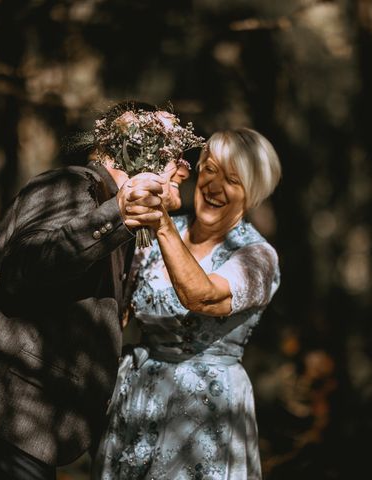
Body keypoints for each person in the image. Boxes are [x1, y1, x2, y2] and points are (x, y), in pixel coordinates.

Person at [0, 102, 192, 480]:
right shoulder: (72, 184)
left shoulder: (112, 216)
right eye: (170, 152)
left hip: (14, 417)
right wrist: (117, 215)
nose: (183, 166)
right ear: (130, 151)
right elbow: (29, 265)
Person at [93, 127, 282, 480]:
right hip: (137, 398)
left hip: (206, 412)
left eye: (233, 180)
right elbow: (119, 311)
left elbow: (203, 297)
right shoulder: (155, 235)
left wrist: (161, 223)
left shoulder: (258, 256)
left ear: (252, 194)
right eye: (210, 170)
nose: (215, 186)